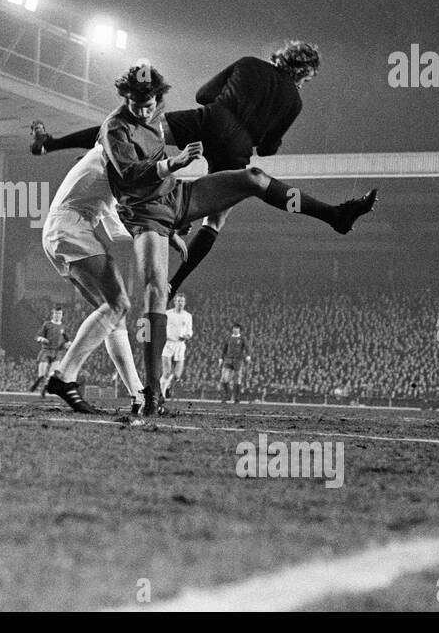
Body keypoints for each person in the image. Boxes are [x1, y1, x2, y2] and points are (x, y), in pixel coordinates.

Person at [99, 62, 377, 413]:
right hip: (145, 211)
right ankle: (151, 394)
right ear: (125, 98)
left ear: (158, 97)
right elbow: (131, 173)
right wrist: (175, 163)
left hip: (176, 196)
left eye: (151, 103)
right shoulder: (114, 128)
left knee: (253, 177)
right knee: (155, 291)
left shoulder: (157, 112)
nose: (146, 110)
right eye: (138, 105)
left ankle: (337, 216)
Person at [31, 42, 370, 293]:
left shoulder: (250, 63)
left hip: (211, 120)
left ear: (283, 55)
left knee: (130, 128)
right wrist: (261, 130)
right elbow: (267, 148)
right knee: (216, 219)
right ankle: (174, 285)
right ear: (304, 74)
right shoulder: (294, 101)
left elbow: (202, 93)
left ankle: (52, 143)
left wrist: (225, 106)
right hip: (238, 148)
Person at [39, 143, 146, 414]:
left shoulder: (99, 187)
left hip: (58, 234)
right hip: (71, 229)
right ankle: (64, 375)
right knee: (118, 304)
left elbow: (118, 232)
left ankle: (138, 395)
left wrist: (157, 234)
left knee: (114, 315)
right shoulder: (109, 156)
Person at [30, 307, 71, 394]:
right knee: (42, 373)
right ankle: (38, 383)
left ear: (62, 315)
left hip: (57, 352)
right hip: (46, 350)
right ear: (52, 315)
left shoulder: (63, 327)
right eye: (56, 313)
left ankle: (45, 389)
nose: (57, 315)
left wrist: (67, 344)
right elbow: (37, 336)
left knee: (52, 374)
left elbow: (67, 340)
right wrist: (42, 339)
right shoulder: (47, 324)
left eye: (59, 314)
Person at [160, 293, 193, 399]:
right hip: (168, 344)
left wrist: (188, 335)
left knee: (177, 375)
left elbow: (189, 330)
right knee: (167, 372)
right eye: (178, 301)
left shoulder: (188, 316)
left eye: (182, 301)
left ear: (185, 303)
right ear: (175, 302)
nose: (180, 303)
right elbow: (161, 327)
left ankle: (168, 386)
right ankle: (162, 394)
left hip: (180, 345)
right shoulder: (167, 314)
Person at [219, 323, 251, 404]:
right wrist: (221, 358)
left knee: (237, 380)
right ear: (232, 329)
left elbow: (247, 347)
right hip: (228, 360)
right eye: (234, 328)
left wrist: (248, 355)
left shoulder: (243, 338)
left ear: (239, 330)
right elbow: (224, 349)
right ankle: (226, 396)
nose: (235, 330)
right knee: (224, 378)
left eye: (237, 328)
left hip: (238, 361)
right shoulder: (228, 338)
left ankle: (237, 398)